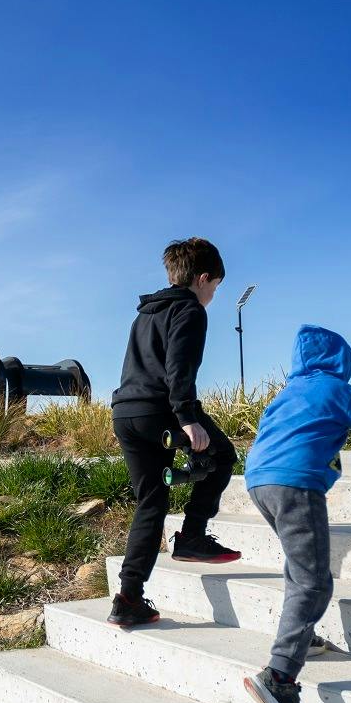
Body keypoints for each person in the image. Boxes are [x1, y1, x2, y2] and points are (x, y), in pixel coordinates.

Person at [239, 324, 351, 703]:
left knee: (299, 567)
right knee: (314, 582)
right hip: (296, 485)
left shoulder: (285, 394)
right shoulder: (340, 391)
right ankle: (280, 677)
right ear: (341, 361)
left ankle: (304, 635)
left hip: (259, 482)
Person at [107, 237, 242, 627]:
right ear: (202, 279)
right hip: (160, 409)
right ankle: (191, 537)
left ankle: (128, 598)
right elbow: (178, 369)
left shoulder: (145, 313)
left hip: (125, 412)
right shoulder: (190, 310)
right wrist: (186, 417)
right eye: (214, 287)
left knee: (151, 502)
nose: (213, 295)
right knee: (221, 456)